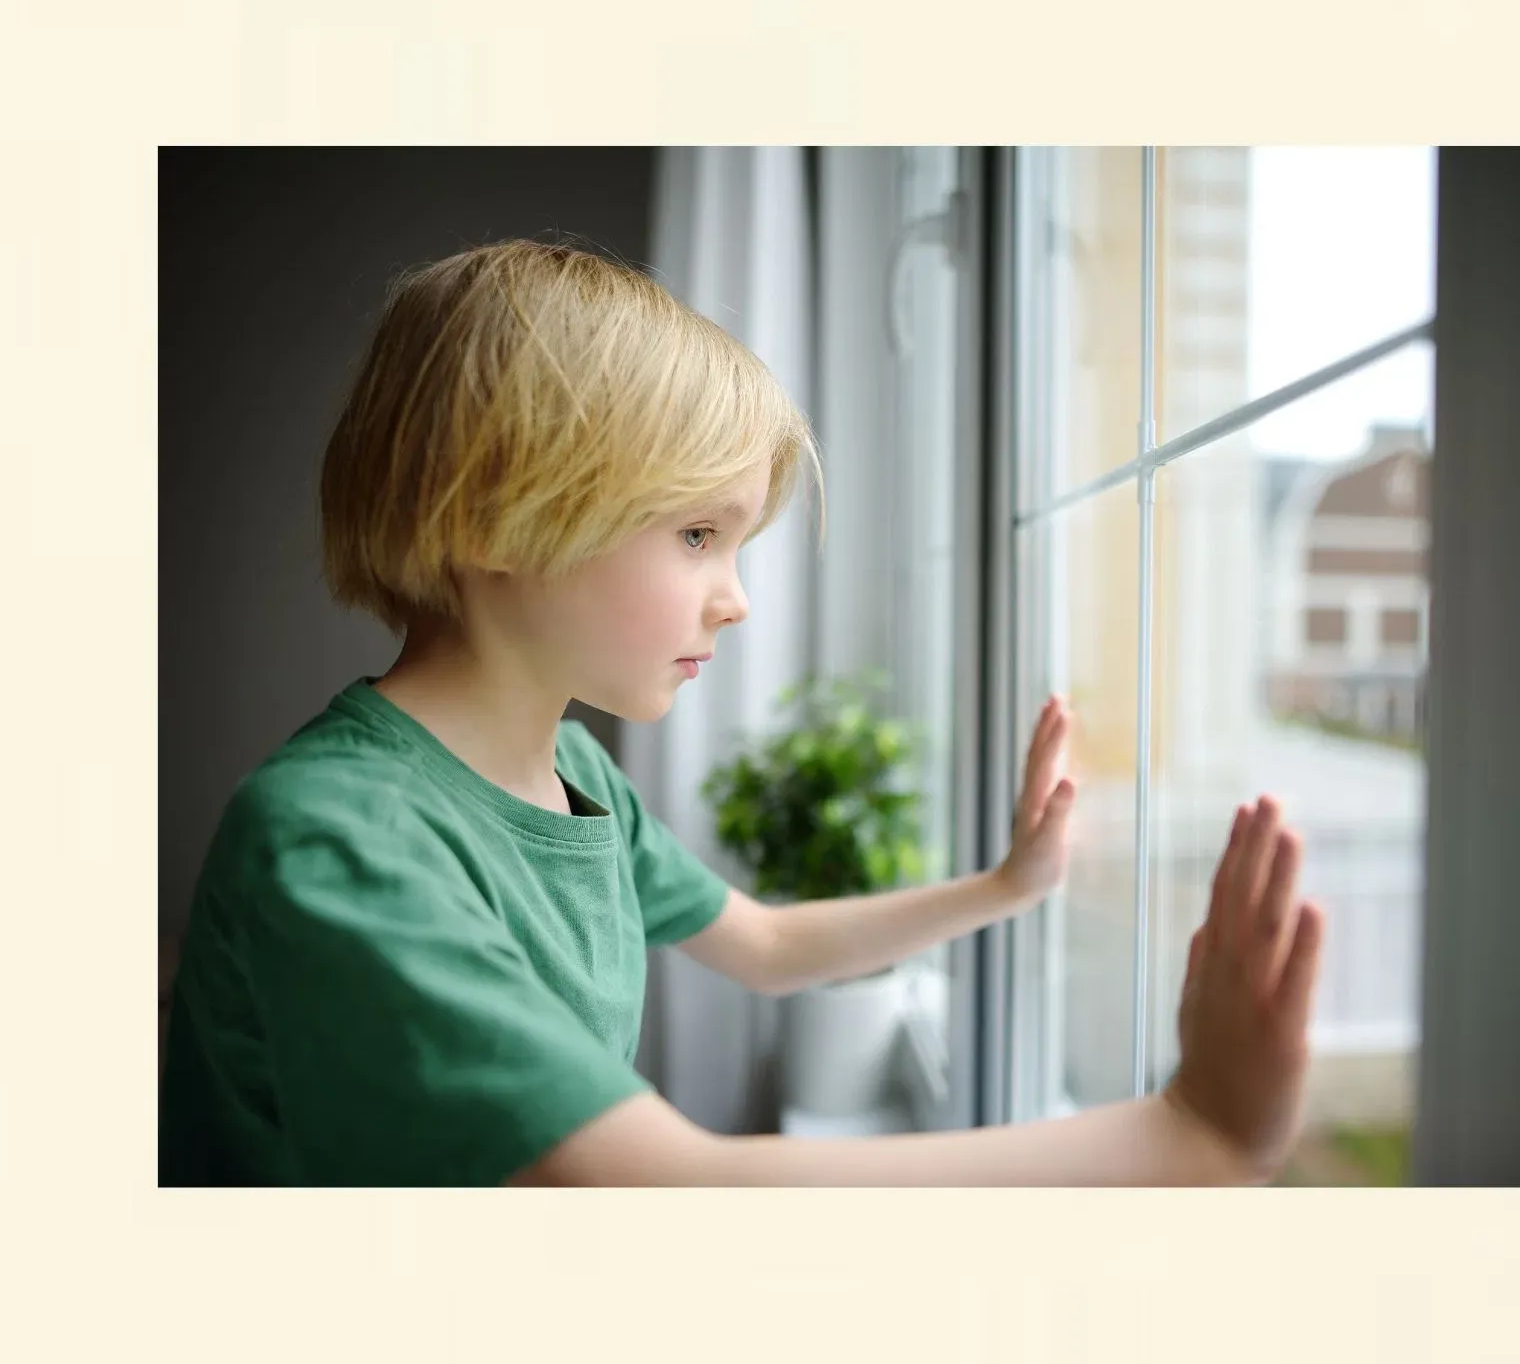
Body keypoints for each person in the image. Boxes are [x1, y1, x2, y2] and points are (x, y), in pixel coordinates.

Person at [158, 238, 1326, 1186]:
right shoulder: (331, 838)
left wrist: (1004, 887)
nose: (736, 600)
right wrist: (1189, 1136)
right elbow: (670, 1190)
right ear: (493, 519)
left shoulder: (573, 773)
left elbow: (762, 945)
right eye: (698, 534)